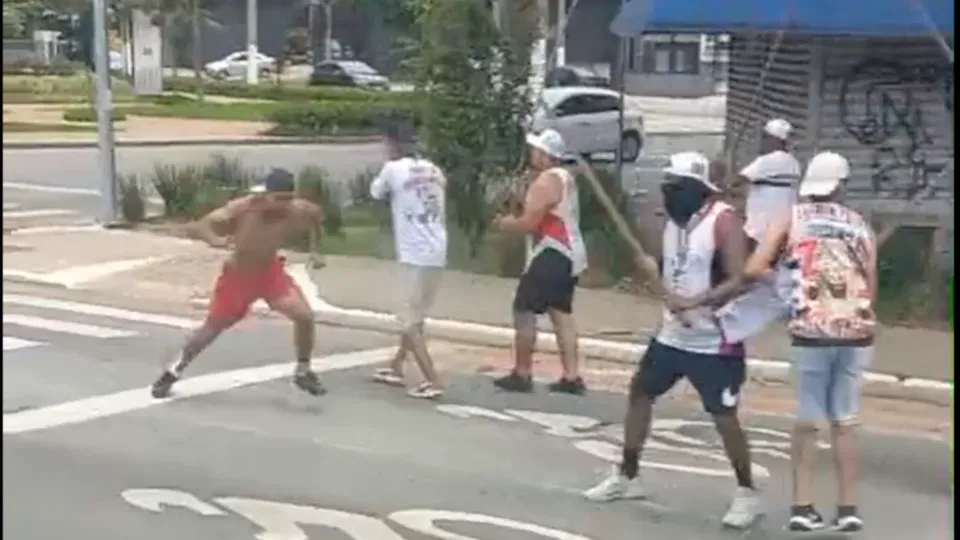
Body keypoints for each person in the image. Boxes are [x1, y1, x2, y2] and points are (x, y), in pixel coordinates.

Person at [583, 151, 762, 530]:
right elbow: (672, 271)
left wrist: (696, 302)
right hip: (672, 334)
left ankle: (747, 492)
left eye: (676, 188)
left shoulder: (723, 221)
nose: (669, 195)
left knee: (723, 415)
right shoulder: (673, 224)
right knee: (640, 393)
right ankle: (628, 476)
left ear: (698, 190)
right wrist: (651, 274)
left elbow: (739, 280)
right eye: (667, 187)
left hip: (715, 340)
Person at [744, 151, 875, 533]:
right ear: (842, 186)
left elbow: (754, 267)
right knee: (845, 420)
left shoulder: (793, 218)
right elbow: (871, 288)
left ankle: (803, 507)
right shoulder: (860, 225)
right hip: (855, 332)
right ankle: (848, 508)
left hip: (810, 332)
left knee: (807, 420)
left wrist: (787, 286)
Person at [150, 168, 327, 399]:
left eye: (288, 198)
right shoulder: (244, 207)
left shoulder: (297, 208)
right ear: (266, 195)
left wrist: (317, 251)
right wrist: (215, 240)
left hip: (270, 273)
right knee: (213, 328)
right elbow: (201, 225)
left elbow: (316, 217)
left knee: (304, 316)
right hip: (238, 277)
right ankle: (174, 371)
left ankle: (303, 371)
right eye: (278, 198)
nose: (283, 204)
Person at [492, 129, 588, 395]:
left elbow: (528, 222)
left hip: (553, 252)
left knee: (523, 309)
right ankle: (571, 376)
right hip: (570, 253)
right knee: (561, 313)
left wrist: (504, 224)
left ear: (546, 155)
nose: (532, 154)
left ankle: (522, 373)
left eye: (536, 150)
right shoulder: (564, 178)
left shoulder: (547, 181)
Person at [368, 122, 448, 399]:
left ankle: (433, 379)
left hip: (414, 253)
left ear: (392, 144)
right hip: (438, 249)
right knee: (417, 314)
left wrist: (388, 165)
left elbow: (375, 193)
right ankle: (396, 366)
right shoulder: (435, 170)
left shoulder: (392, 169)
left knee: (408, 320)